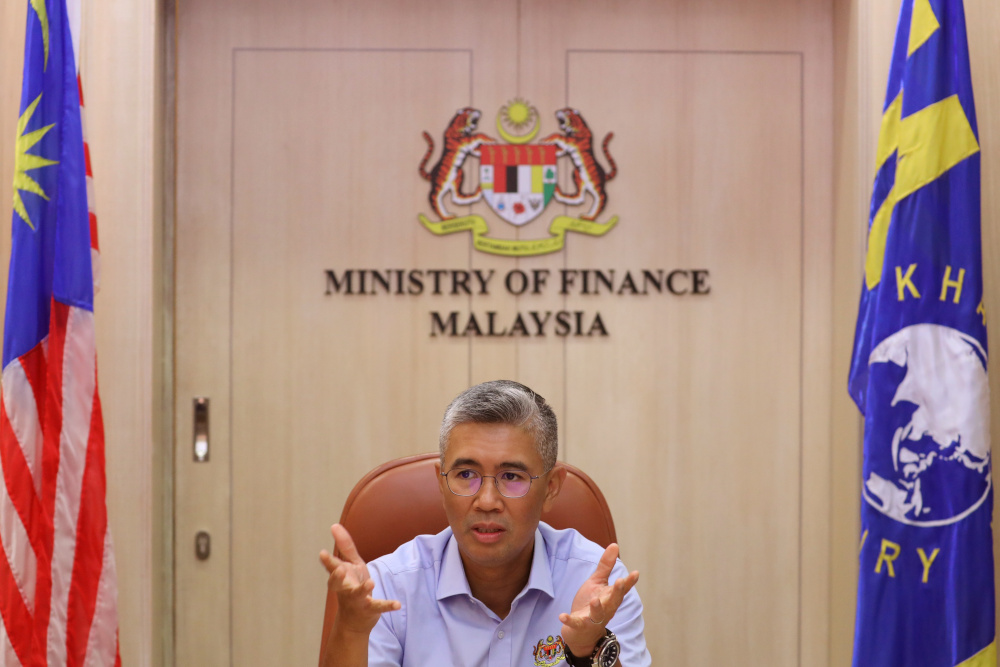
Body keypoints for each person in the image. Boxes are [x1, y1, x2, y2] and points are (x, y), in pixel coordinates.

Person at [319, 380, 650, 666]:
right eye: (466, 475)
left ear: (551, 488)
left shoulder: (598, 589)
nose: (487, 501)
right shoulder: (389, 588)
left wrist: (586, 649)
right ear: (440, 481)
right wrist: (352, 629)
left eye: (511, 476)